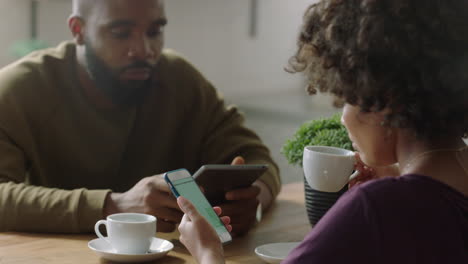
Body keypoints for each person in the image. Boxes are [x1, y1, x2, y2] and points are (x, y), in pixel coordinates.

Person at [176, 0, 468, 263]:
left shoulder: (376, 206)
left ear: (385, 100)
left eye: (348, 98)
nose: (343, 119)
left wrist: (208, 251)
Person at [0, 0, 281, 234]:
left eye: (154, 31)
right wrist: (113, 206)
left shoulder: (180, 80)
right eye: (122, 33)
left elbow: (256, 158)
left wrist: (252, 202)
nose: (144, 50)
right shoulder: (19, 89)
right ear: (79, 30)